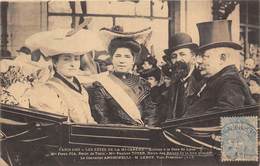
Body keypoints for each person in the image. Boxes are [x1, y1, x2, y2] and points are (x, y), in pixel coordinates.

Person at [20, 29, 98, 124]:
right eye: (66, 59)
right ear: (55, 63)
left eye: (76, 59)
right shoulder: (47, 91)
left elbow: (89, 120)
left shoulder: (82, 89)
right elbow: (59, 126)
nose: (73, 64)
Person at [183, 20, 256, 117]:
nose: (199, 61)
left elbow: (226, 115)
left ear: (222, 58)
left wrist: (184, 124)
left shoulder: (231, 82)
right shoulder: (218, 79)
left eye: (204, 56)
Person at [88, 27, 159, 126]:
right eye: (118, 56)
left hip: (143, 136)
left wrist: (147, 130)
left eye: (127, 56)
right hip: (116, 137)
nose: (122, 61)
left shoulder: (142, 84)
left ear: (133, 61)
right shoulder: (101, 85)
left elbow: (151, 114)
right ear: (112, 59)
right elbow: (102, 118)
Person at [162, 33, 204, 119]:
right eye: (174, 56)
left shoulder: (203, 81)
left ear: (193, 57)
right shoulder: (172, 84)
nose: (178, 59)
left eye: (182, 54)